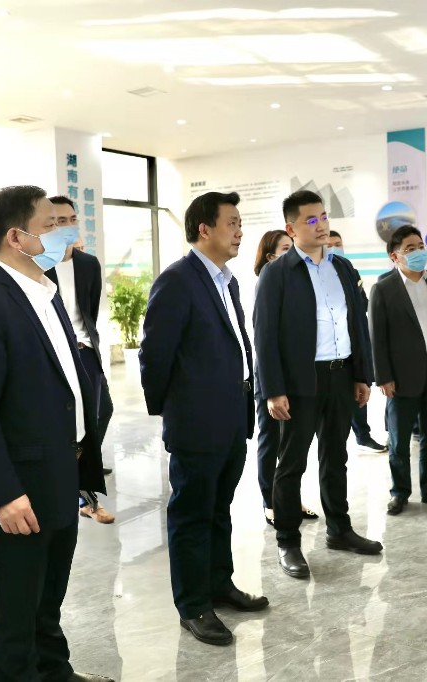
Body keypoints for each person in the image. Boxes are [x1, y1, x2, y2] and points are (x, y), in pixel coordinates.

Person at [0, 185, 111, 682]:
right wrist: (3, 493)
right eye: (51, 224)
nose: (64, 233)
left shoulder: (44, 292)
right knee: (15, 610)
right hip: (17, 488)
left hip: (60, 470)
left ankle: (55, 671)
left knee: (48, 597)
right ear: (17, 237)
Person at [140, 191, 268, 647]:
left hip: (232, 417)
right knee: (192, 515)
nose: (240, 232)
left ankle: (218, 584)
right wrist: (175, 409)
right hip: (196, 423)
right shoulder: (177, 281)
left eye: (240, 223)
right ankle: (193, 605)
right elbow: (155, 356)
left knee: (218, 510)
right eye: (232, 223)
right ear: (204, 229)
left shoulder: (227, 281)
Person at [254, 189, 382, 581]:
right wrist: (273, 389)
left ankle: (339, 529)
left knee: (336, 456)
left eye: (323, 216)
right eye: (311, 220)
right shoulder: (278, 273)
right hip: (299, 382)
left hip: (340, 376)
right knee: (292, 462)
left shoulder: (342, 267)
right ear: (291, 228)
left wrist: (361, 374)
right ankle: (288, 541)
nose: (321, 224)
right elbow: (265, 335)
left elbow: (356, 323)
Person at [368, 225, 427, 516]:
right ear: (394, 256)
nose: (418, 252)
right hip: (401, 375)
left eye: (421, 246)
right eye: (410, 249)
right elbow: (377, 338)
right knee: (399, 441)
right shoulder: (383, 289)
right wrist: (383, 377)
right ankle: (399, 493)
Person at [46, 195, 116, 525]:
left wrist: (85, 342)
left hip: (85, 352)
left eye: (71, 219)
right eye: (59, 220)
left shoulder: (88, 264)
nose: (67, 225)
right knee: (71, 426)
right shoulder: (39, 265)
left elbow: (88, 311)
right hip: (56, 357)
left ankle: (81, 487)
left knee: (99, 415)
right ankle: (80, 495)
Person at [252, 230, 320, 526]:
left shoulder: (300, 283)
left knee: (292, 446)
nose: (294, 253)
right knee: (271, 439)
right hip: (270, 375)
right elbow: (264, 337)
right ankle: (270, 501)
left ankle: (290, 499)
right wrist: (272, 388)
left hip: (296, 375)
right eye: (285, 248)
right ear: (270, 257)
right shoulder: (268, 281)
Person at [327, 230, 387, 453]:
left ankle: (363, 436)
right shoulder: (315, 275)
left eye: (338, 243)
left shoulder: (349, 270)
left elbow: (363, 303)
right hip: (329, 351)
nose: (335, 247)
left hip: (353, 345)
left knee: (359, 389)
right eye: (330, 244)